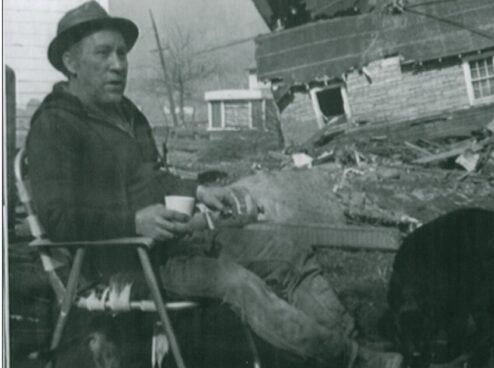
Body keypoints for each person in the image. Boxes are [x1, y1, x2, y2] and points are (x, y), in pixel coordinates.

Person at [26, 2, 403, 368]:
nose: (118, 65)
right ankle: (351, 361)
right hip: (120, 264)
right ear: (71, 63)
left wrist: (198, 192)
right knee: (234, 281)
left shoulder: (129, 114)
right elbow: (59, 218)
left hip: (170, 244)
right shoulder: (55, 125)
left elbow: (154, 176)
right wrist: (132, 223)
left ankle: (353, 342)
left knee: (287, 250)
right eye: (103, 53)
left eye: (122, 53)